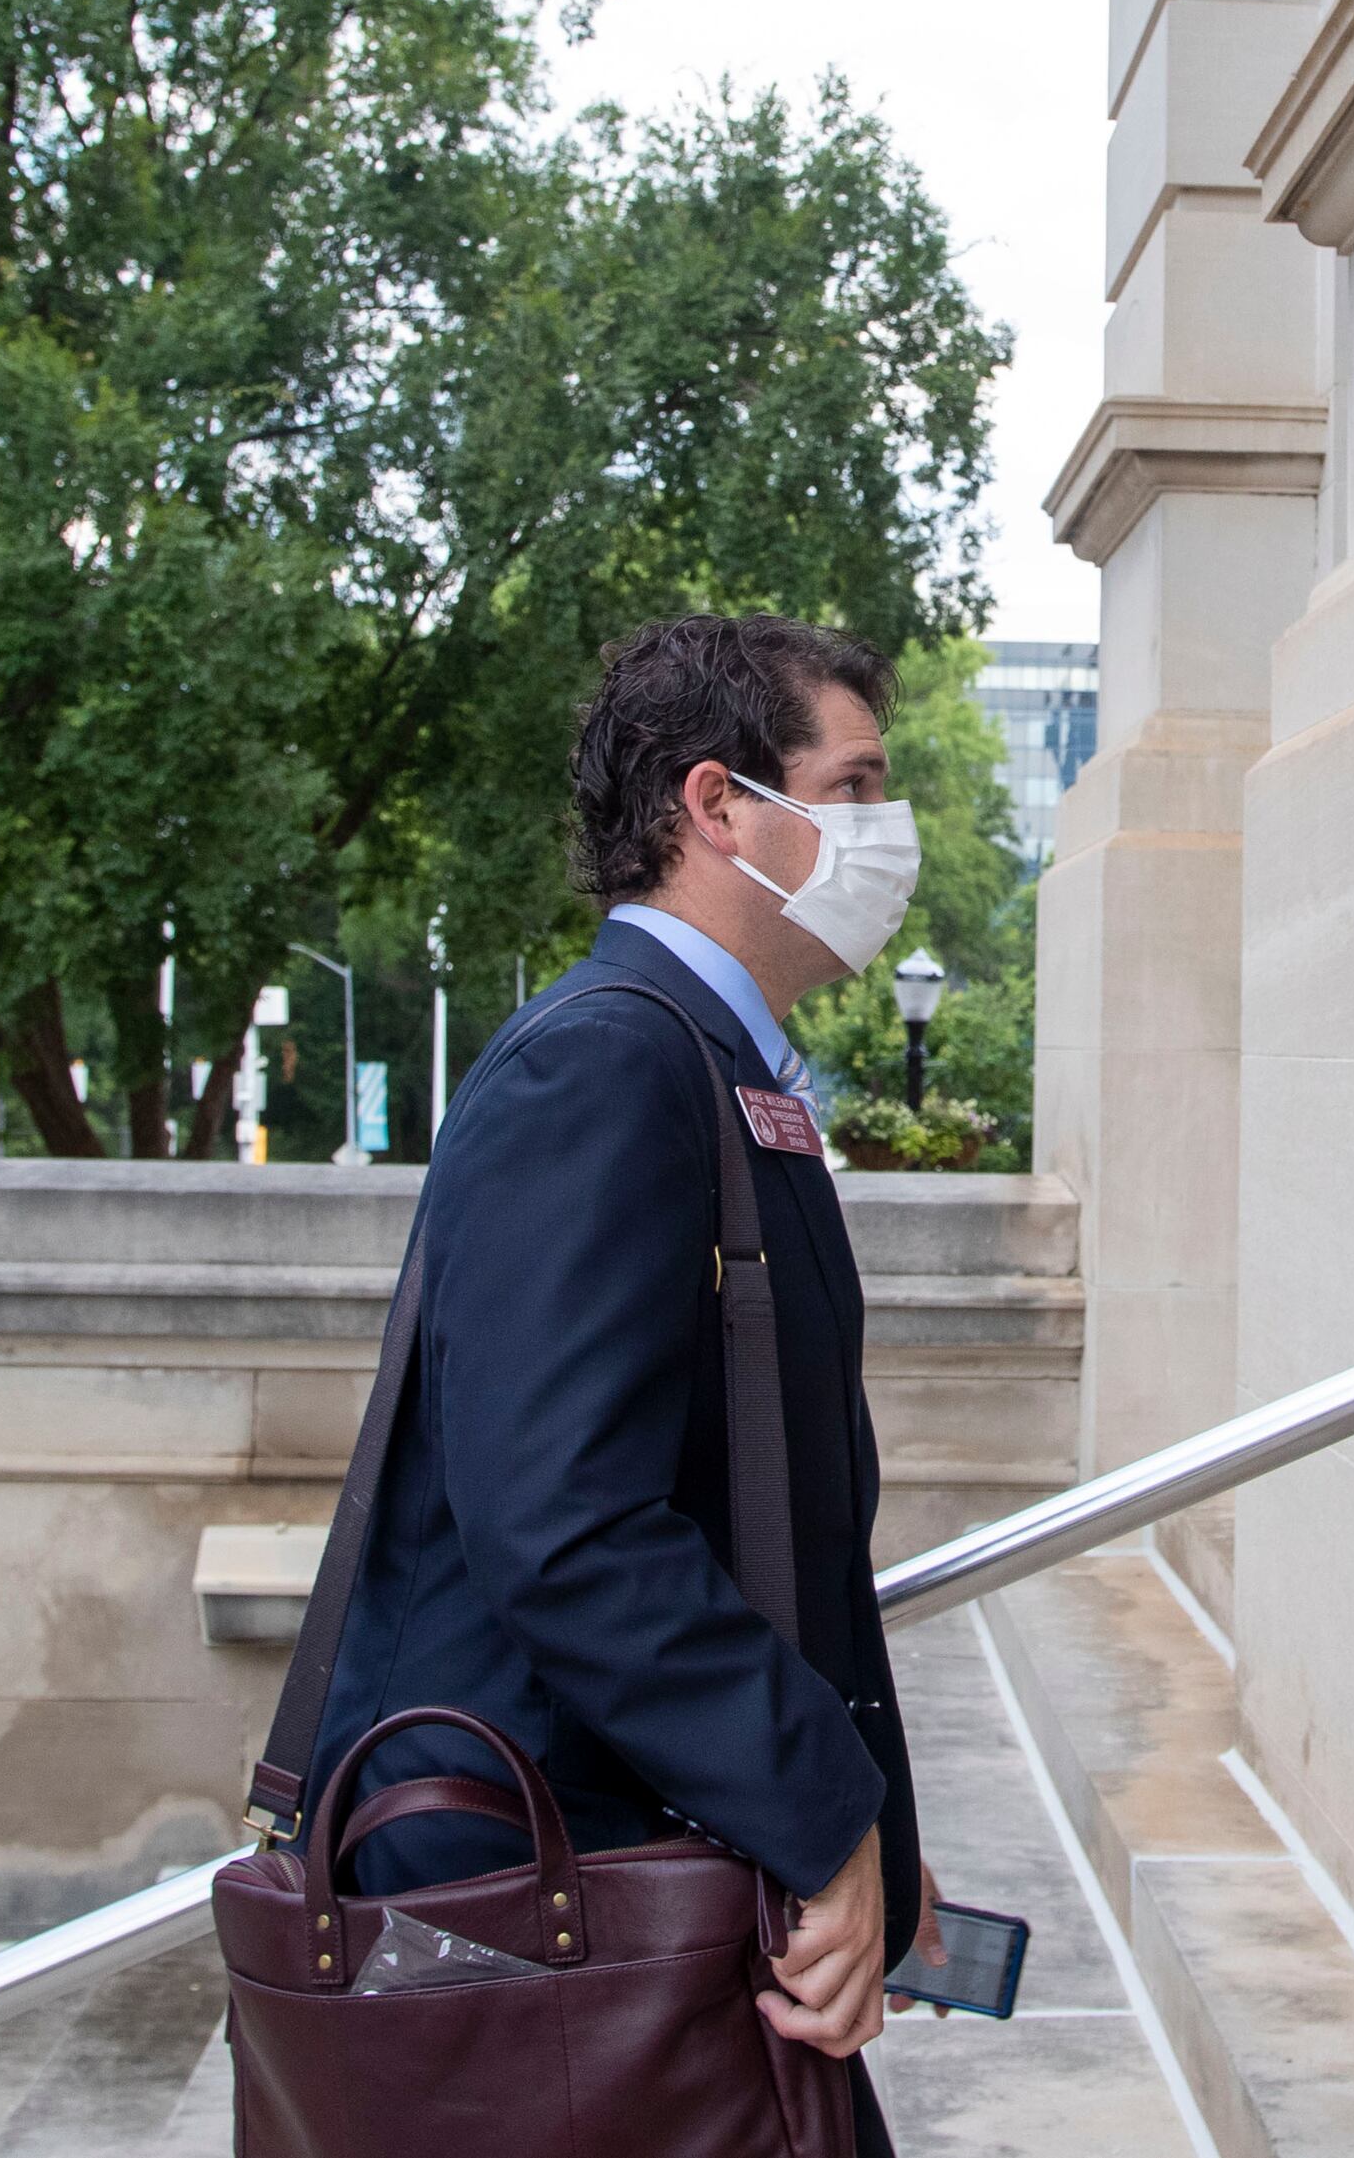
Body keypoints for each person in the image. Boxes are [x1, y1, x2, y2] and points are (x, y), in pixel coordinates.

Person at [304, 614, 942, 2154]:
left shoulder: (703, 1060)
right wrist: (820, 1804)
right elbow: (566, 1521)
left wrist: (870, 1839)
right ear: (719, 806)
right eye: (851, 785)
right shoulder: (603, 1064)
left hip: (650, 1877)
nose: (884, 828)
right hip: (553, 1904)